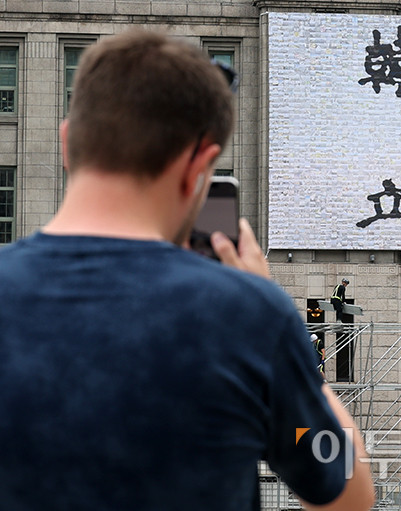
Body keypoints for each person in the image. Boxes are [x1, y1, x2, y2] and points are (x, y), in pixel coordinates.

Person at [0, 30, 374, 511]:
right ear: (201, 168)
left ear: (68, 142)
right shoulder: (248, 316)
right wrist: (296, 359)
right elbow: (348, 492)